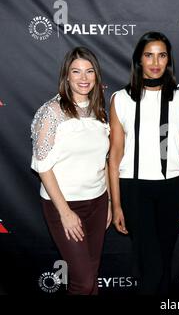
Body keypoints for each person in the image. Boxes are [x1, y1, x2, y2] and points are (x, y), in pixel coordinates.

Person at [109, 31, 179, 294]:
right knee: (151, 262)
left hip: (173, 189)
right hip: (134, 190)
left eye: (162, 55)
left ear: (168, 60)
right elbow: (114, 156)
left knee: (164, 260)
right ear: (139, 60)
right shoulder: (120, 99)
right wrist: (116, 205)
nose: (155, 62)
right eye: (149, 55)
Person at [31, 47, 111, 295]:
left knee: (92, 274)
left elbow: (104, 160)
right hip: (64, 205)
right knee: (82, 281)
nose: (83, 78)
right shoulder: (51, 112)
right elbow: (43, 167)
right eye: (76, 72)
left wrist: (107, 201)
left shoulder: (99, 111)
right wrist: (64, 212)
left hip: (97, 202)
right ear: (66, 76)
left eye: (89, 72)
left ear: (96, 76)